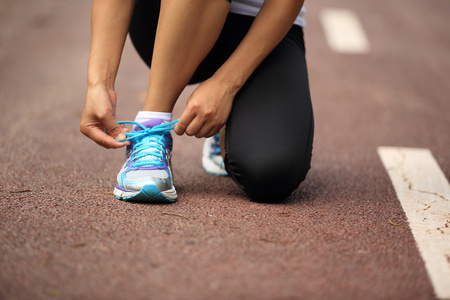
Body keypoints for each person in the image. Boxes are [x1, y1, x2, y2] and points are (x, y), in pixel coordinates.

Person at [80, 0, 314, 203]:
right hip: (170, 14)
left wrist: (226, 85)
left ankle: (229, 117)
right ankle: (152, 126)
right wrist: (99, 84)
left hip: (262, 26)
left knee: (270, 175)